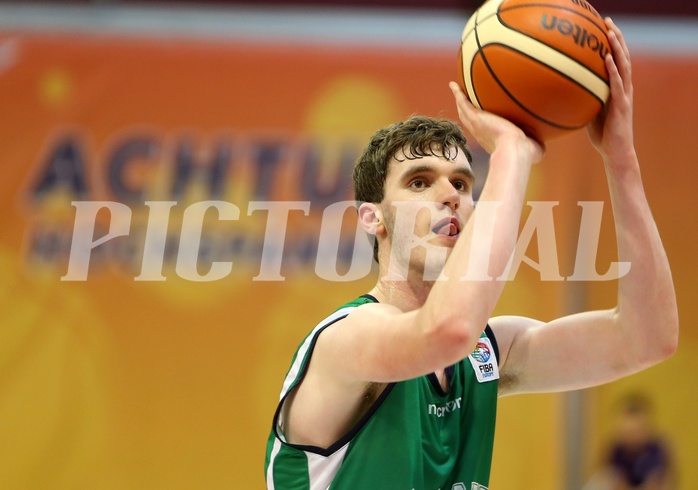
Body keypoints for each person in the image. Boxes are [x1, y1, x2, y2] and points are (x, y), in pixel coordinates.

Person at [264, 18, 678, 490]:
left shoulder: (485, 353)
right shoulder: (345, 340)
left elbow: (649, 338)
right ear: (372, 218)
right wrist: (511, 154)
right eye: (420, 182)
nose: (450, 195)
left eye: (462, 183)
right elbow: (447, 330)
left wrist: (621, 160)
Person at [584, 393, 676, 490]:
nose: (632, 438)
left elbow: (666, 482)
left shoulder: (658, 451)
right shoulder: (613, 452)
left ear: (647, 428)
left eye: (637, 431)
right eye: (628, 432)